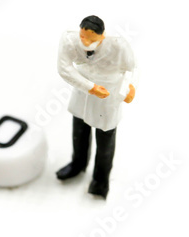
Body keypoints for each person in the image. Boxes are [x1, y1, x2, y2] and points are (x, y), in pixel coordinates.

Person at [56, 15, 135, 199]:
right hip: (83, 91)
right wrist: (89, 87)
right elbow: (64, 69)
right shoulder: (69, 40)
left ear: (102, 35)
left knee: (105, 140)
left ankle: (100, 181)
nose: (85, 41)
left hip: (108, 93)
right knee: (79, 131)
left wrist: (130, 87)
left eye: (90, 38)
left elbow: (132, 69)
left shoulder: (118, 46)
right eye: (83, 36)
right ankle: (77, 165)